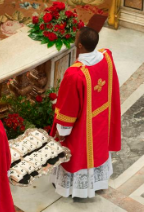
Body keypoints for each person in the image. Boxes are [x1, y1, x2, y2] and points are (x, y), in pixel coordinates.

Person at [50, 27, 121, 198]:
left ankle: (76, 189)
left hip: (82, 126)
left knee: (79, 154)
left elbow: (69, 106)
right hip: (102, 117)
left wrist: (62, 131)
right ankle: (96, 182)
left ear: (79, 45)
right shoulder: (107, 57)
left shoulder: (75, 74)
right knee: (97, 149)